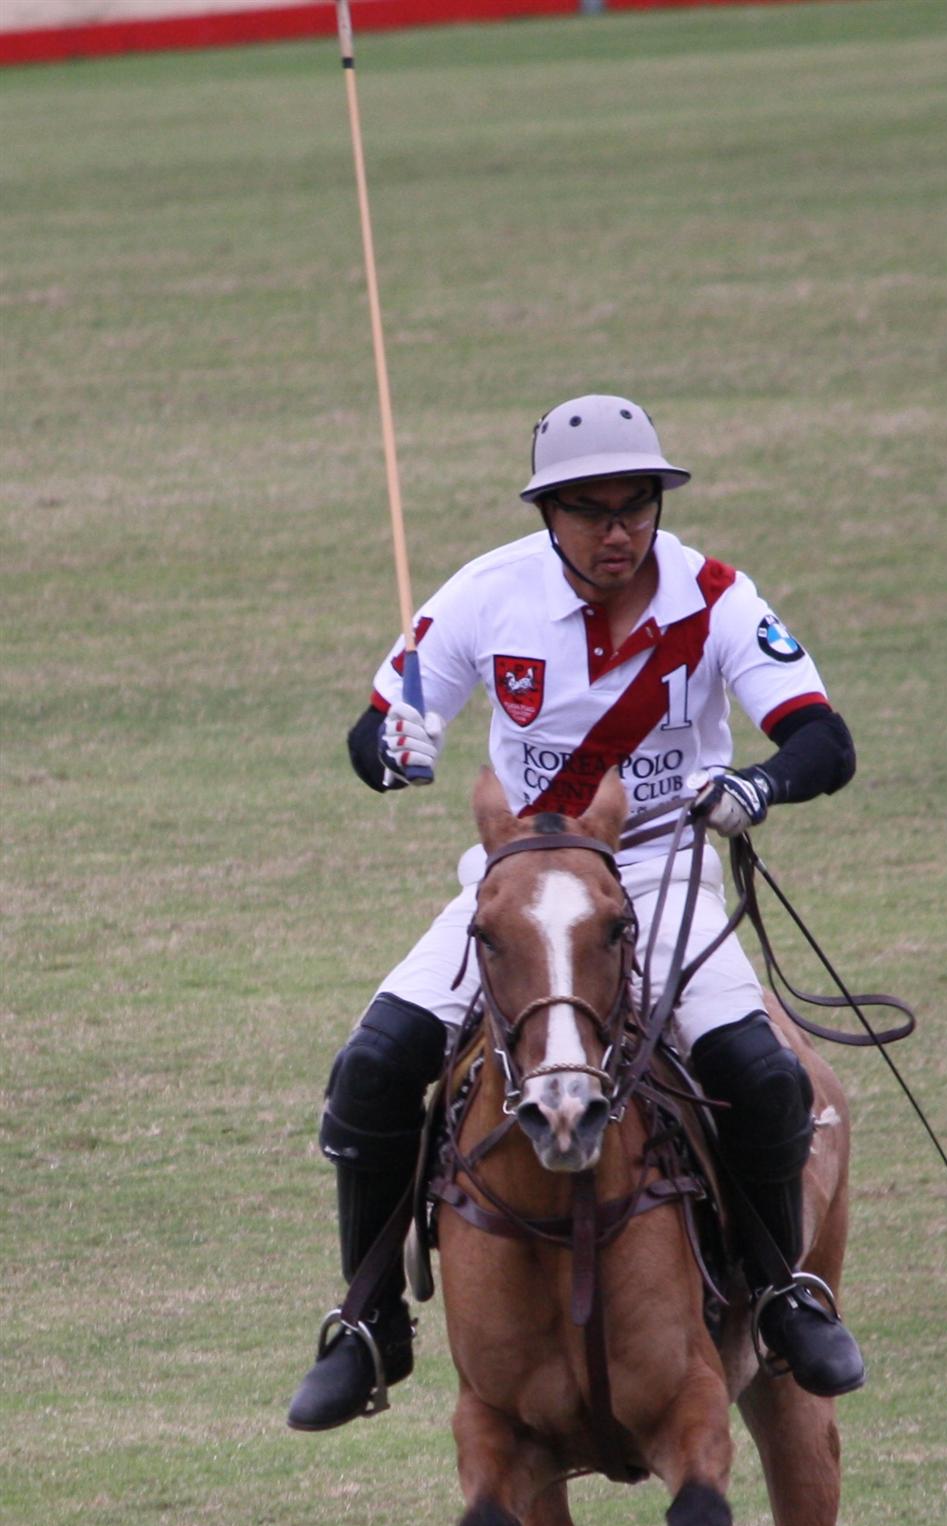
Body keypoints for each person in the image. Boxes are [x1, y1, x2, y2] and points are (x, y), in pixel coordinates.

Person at [287, 393, 865, 1433]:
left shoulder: (715, 596)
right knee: (371, 1067)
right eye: (589, 509)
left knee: (760, 1071)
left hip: (655, 876)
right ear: (547, 513)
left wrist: (756, 784)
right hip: (518, 884)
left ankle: (782, 1293)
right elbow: (374, 730)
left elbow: (822, 737)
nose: (616, 531)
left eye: (634, 505)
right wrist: (391, 752)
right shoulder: (485, 594)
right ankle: (369, 1322)